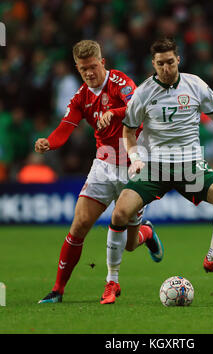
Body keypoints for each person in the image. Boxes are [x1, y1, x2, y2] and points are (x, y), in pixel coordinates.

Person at [107, 37, 213, 293]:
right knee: (119, 215)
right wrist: (135, 157)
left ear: (179, 60)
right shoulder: (142, 93)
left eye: (170, 62)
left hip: (190, 167)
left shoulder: (195, 85)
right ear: (153, 64)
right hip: (155, 166)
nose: (166, 68)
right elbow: (128, 132)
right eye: (160, 63)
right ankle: (112, 281)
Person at [35, 40, 164, 304]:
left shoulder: (119, 81)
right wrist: (49, 142)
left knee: (129, 244)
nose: (90, 73)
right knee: (79, 224)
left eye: (93, 67)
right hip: (104, 165)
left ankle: (146, 233)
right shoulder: (81, 97)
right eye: (84, 69)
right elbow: (65, 126)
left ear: (102, 62)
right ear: (77, 69)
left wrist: (114, 113)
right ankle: (58, 290)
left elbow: (137, 108)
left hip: (134, 164)